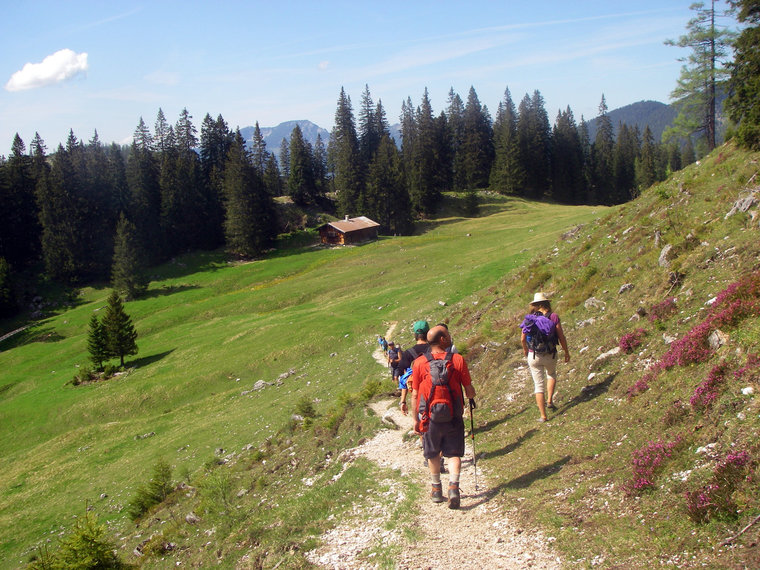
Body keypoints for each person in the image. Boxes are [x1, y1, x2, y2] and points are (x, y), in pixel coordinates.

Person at [412, 324, 476, 509]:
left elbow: (415, 394)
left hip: (429, 416)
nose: (449, 337)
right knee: (454, 453)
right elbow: (469, 389)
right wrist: (471, 398)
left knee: (432, 452)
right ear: (442, 339)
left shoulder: (419, 363)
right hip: (453, 415)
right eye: (447, 335)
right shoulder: (457, 360)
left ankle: (436, 489)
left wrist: (416, 419)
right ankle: (454, 487)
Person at [520, 292, 570, 422]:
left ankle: (543, 416)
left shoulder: (529, 319)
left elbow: (522, 338)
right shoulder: (553, 317)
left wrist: (525, 350)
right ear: (547, 303)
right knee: (551, 374)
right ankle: (549, 401)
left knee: (538, 385)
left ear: (535, 305)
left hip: (534, 355)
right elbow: (561, 336)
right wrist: (566, 351)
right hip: (550, 353)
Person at [397, 321, 431, 416]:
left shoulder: (408, 353)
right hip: (438, 393)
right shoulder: (435, 350)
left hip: (420, 398)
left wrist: (403, 401)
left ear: (415, 335)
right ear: (428, 333)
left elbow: (404, 378)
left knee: (424, 425)